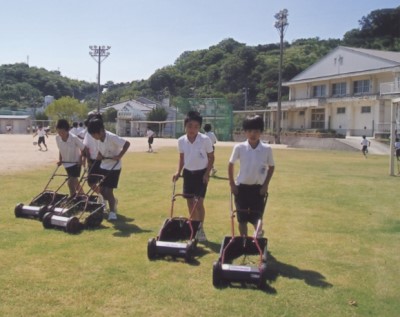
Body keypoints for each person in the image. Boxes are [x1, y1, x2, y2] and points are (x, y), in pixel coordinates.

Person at [228, 115, 275, 237]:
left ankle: (258, 238)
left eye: (256, 131)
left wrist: (265, 185)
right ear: (245, 132)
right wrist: (232, 184)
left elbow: (272, 167)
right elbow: (231, 164)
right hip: (241, 188)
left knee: (257, 217)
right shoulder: (239, 147)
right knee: (241, 219)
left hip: (258, 189)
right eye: (249, 131)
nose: (252, 134)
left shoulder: (266, 149)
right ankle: (244, 241)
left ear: (261, 132)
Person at [172, 111, 214, 242]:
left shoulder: (205, 140)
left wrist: (207, 174)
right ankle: (193, 227)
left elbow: (211, 157)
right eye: (190, 126)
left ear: (199, 127)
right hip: (188, 174)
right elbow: (182, 157)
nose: (192, 129)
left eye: (196, 126)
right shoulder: (181, 141)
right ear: (185, 126)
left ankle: (200, 228)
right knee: (190, 201)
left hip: (201, 174)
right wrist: (178, 172)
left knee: (199, 202)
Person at [88, 118, 130, 221]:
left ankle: (112, 212)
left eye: (94, 134)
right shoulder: (98, 139)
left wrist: (119, 156)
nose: (94, 137)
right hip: (103, 166)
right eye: (92, 135)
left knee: (108, 191)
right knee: (102, 190)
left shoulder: (112, 137)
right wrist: (99, 155)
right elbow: (101, 150)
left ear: (101, 130)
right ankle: (112, 202)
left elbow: (127, 144)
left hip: (114, 167)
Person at [55, 119, 85, 197]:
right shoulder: (57, 138)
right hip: (66, 163)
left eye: (62, 132)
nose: (61, 134)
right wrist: (60, 160)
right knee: (75, 182)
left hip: (75, 163)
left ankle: (72, 198)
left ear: (67, 130)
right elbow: (60, 149)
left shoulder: (74, 138)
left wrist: (81, 160)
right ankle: (83, 196)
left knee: (70, 182)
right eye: (59, 132)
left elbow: (83, 149)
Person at [83, 113, 104, 204]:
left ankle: (104, 199)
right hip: (93, 161)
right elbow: (86, 147)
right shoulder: (88, 133)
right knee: (91, 182)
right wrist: (88, 160)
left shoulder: (103, 133)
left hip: (103, 161)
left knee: (103, 183)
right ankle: (102, 196)